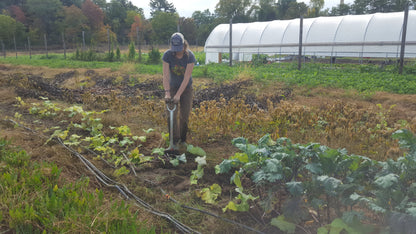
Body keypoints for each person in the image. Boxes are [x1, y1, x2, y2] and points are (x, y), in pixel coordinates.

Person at [162, 32, 196, 150]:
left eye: (179, 48)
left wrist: (178, 95)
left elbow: (186, 78)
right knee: (170, 116)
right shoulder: (167, 55)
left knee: (184, 115)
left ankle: (182, 140)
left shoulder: (189, 56)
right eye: (175, 49)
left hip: (186, 89)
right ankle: (173, 142)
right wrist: (167, 92)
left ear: (184, 45)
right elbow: (165, 75)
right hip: (172, 87)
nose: (177, 51)